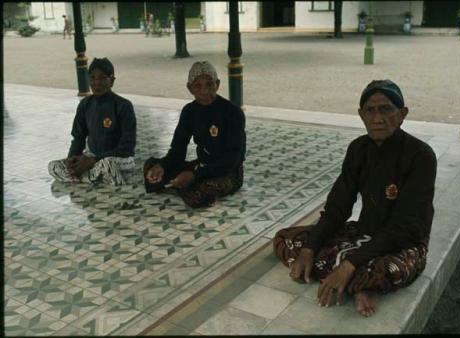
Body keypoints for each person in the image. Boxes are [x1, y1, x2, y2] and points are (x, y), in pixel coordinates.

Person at [273, 80, 437, 317]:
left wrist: (349, 264)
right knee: (288, 239)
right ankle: (362, 282)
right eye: (370, 110)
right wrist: (309, 249)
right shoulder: (358, 149)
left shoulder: (420, 156)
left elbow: (405, 227)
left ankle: (364, 280)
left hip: (404, 244)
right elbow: (338, 207)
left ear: (402, 114)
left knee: (391, 268)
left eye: (386, 109)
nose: (377, 118)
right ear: (361, 115)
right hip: (363, 233)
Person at [143, 61, 246, 208]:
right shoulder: (189, 112)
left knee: (203, 190)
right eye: (198, 86)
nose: (204, 91)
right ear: (189, 88)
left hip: (229, 172)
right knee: (151, 166)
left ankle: (182, 185)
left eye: (209, 84)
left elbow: (233, 159)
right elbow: (177, 151)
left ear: (217, 84)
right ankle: (182, 185)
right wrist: (162, 166)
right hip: (202, 165)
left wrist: (194, 175)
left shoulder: (233, 113)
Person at [48, 58, 137, 186]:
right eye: (92, 78)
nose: (96, 83)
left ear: (111, 81)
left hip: (119, 159)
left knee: (107, 165)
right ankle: (94, 177)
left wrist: (93, 160)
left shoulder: (123, 106)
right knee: (54, 166)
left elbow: (127, 148)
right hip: (91, 157)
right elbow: (78, 138)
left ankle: (88, 177)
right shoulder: (85, 104)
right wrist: (71, 159)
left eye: (102, 78)